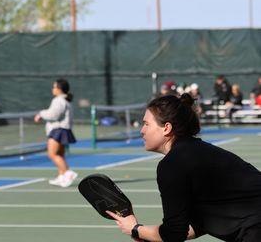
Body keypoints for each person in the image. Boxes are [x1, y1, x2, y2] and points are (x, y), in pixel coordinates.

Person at [108, 93, 261, 242]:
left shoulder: (172, 164)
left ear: (166, 128)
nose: (142, 131)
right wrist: (145, 234)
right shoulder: (201, 150)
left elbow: (174, 233)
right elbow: (199, 223)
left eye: (146, 124)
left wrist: (135, 229)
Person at [34, 79, 78, 188]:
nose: (52, 89)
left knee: (52, 154)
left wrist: (41, 114)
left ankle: (68, 172)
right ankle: (61, 176)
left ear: (59, 89)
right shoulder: (65, 100)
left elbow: (53, 115)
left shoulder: (59, 101)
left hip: (58, 130)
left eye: (54, 87)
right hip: (62, 129)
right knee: (60, 154)